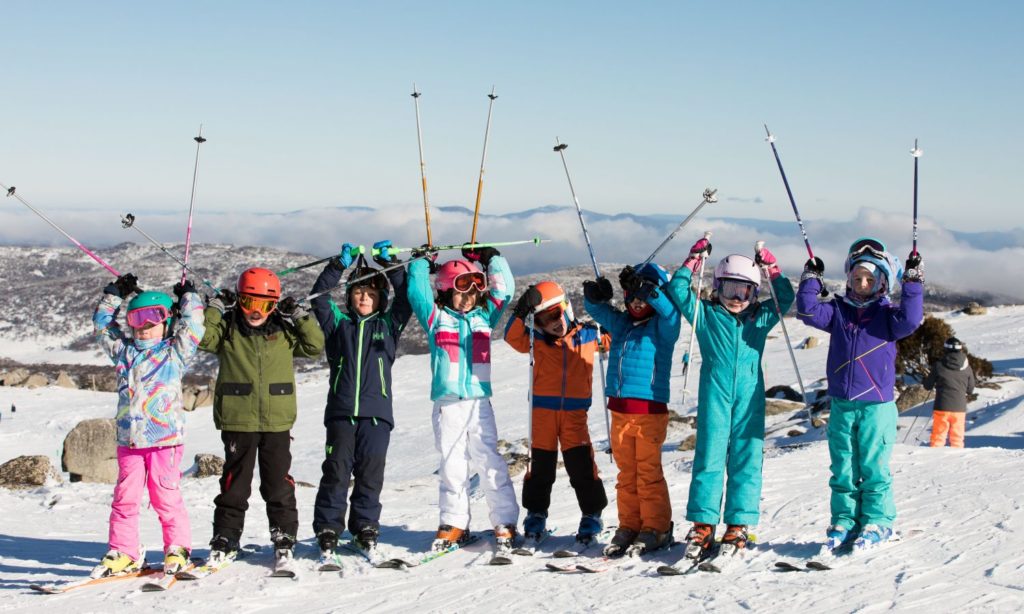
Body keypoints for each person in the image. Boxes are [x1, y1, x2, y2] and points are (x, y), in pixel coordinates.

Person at [664, 240, 794, 559]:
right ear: (717, 287)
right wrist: (693, 261)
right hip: (715, 398)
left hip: (750, 401)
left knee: (746, 460)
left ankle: (738, 523)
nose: (737, 298)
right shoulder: (706, 316)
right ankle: (703, 523)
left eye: (745, 291)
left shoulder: (760, 320)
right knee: (709, 457)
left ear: (754, 293)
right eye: (730, 290)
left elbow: (786, 297)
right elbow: (677, 290)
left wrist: (772, 269)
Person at [797, 237, 924, 550]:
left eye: (870, 279)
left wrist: (912, 282)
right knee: (842, 466)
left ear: (882, 282)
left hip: (876, 406)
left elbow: (911, 318)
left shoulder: (888, 317)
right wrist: (811, 279)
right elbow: (808, 311)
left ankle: (878, 520)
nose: (862, 284)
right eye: (856, 278)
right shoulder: (839, 312)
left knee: (872, 466)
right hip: (842, 404)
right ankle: (845, 519)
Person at [199, 267, 325, 568]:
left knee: (277, 482)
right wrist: (215, 309)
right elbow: (202, 338)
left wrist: (299, 316)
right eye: (248, 303)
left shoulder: (283, 330)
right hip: (237, 419)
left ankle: (283, 536)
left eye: (265, 305)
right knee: (234, 483)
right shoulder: (228, 329)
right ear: (238, 301)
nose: (257, 311)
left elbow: (315, 346)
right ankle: (226, 537)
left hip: (276, 420)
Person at [406, 244, 520, 552]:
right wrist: (420, 265)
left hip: (479, 402)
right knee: (452, 464)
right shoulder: (436, 319)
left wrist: (490, 259)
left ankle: (505, 520)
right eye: (461, 288)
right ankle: (454, 522)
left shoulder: (485, 316)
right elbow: (417, 294)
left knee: (490, 461)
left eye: (475, 287)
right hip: (448, 404)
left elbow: (505, 290)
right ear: (445, 291)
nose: (469, 294)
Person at [92, 273, 205, 577]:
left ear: (166, 321)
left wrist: (188, 298)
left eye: (151, 318)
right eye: (136, 318)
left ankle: (177, 548)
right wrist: (115, 294)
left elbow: (193, 326)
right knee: (124, 498)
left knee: (164, 495)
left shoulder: (173, 352)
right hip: (130, 440)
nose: (142, 327)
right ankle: (123, 551)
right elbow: (102, 324)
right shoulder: (124, 353)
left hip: (164, 440)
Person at [310, 241, 412, 558]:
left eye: (371, 293)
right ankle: (328, 527)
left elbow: (407, 299)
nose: (364, 297)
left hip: (376, 415)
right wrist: (337, 267)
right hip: (341, 413)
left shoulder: (388, 325)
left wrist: (391, 264)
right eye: (358, 292)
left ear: (380, 298)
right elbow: (319, 297)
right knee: (337, 471)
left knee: (370, 473)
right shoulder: (338, 324)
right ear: (350, 296)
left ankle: (365, 526)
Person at [583, 262, 681, 556]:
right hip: (620, 412)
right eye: (632, 296)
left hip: (650, 412)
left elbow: (670, 311)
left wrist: (648, 290)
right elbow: (599, 312)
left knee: (648, 472)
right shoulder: (623, 323)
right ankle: (630, 524)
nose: (637, 303)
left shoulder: (664, 328)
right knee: (627, 473)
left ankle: (657, 528)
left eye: (643, 297)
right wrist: (594, 296)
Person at [503, 280, 610, 543]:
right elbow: (511, 337)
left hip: (574, 415)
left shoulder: (588, 335)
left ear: (566, 308)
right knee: (540, 468)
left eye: (555, 314)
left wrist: (603, 306)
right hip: (543, 415)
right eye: (542, 320)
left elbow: (614, 336)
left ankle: (592, 514)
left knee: (582, 466)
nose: (552, 323)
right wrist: (520, 311)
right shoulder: (535, 340)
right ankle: (536, 513)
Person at [923, 336, 976, 448]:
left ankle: (934, 461)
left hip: (942, 406)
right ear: (960, 349)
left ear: (945, 349)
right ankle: (956, 462)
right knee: (957, 439)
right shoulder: (967, 367)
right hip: (959, 408)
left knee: (938, 437)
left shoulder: (939, 365)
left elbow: (927, 386)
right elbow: (970, 389)